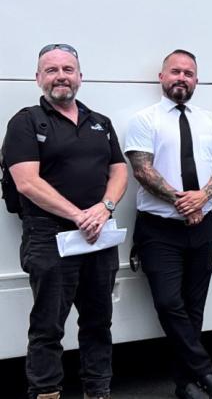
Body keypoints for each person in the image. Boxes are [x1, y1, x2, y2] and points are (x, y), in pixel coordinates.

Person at [2, 44, 127, 399]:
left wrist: (103, 208)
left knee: (98, 323)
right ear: (38, 78)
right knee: (47, 326)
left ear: (80, 77)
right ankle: (46, 393)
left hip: (98, 236)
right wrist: (78, 216)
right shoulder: (25, 122)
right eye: (52, 70)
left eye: (68, 69)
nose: (61, 76)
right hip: (49, 236)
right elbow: (26, 181)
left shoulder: (100, 122)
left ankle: (97, 391)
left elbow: (119, 171)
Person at [125, 50, 212, 399]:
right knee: (169, 303)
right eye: (175, 72)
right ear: (162, 77)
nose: (181, 78)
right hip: (160, 229)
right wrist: (183, 201)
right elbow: (142, 169)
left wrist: (202, 197)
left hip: (204, 226)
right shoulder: (144, 119)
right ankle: (204, 369)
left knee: (193, 307)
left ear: (196, 80)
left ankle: (185, 383)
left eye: (188, 73)